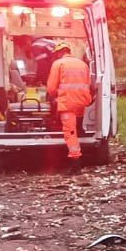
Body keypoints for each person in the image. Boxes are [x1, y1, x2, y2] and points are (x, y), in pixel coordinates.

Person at [45, 42, 93, 170]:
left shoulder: (58, 64)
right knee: (78, 127)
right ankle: (82, 135)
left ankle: (75, 162)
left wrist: (54, 97)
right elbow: (89, 83)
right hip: (82, 102)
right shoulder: (83, 64)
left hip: (68, 103)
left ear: (60, 53)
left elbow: (51, 88)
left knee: (70, 132)